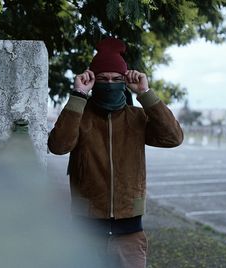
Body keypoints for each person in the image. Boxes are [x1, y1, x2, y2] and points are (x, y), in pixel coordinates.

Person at [48, 37, 184, 268]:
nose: (109, 83)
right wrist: (78, 95)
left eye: (116, 79)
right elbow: (58, 146)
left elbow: (173, 137)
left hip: (129, 236)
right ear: (92, 80)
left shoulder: (136, 117)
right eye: (103, 79)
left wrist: (145, 93)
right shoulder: (81, 116)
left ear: (124, 82)